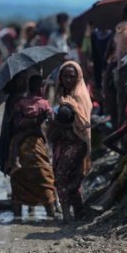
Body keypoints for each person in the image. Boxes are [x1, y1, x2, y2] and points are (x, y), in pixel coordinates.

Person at [48, 61, 92, 223]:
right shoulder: (59, 94)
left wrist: (64, 117)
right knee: (72, 178)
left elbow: (83, 121)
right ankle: (79, 213)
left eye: (72, 76)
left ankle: (67, 214)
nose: (68, 79)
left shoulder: (80, 95)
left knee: (61, 177)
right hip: (61, 142)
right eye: (65, 76)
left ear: (78, 77)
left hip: (77, 141)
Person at [8, 75, 56, 218]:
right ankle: (51, 215)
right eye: (42, 86)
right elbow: (51, 120)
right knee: (44, 176)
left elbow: (15, 123)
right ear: (42, 87)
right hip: (34, 145)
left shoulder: (20, 102)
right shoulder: (43, 103)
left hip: (24, 144)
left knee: (20, 177)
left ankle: (17, 219)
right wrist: (38, 121)